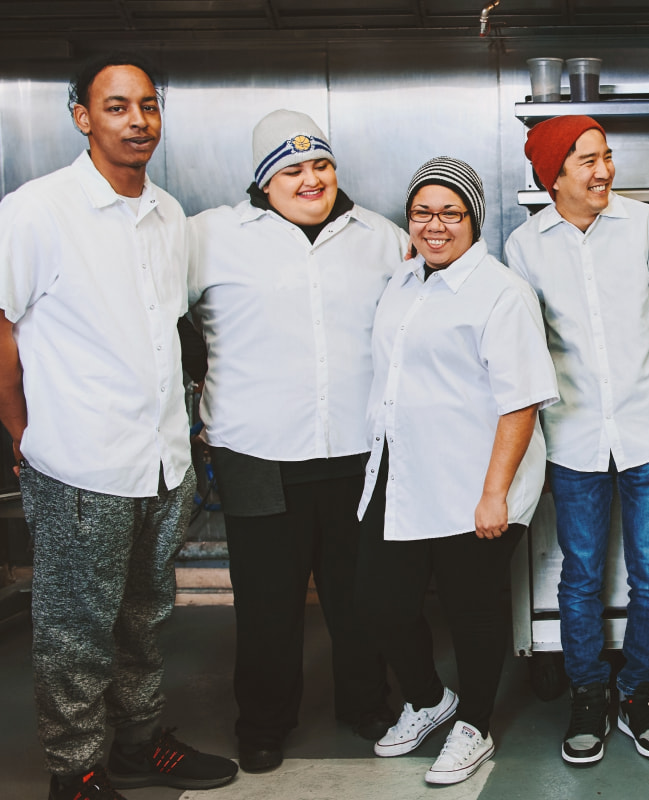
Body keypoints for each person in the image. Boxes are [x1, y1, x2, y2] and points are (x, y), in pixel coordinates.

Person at [0, 53, 238, 800]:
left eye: (148, 106)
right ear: (82, 117)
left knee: (144, 617)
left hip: (159, 461)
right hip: (78, 465)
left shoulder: (166, 214)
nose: (138, 121)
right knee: (75, 630)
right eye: (116, 107)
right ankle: (75, 771)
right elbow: (2, 328)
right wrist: (23, 435)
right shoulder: (36, 211)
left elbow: (165, 328)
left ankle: (138, 745)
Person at [187, 109, 406, 772]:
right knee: (266, 601)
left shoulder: (382, 238)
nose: (311, 179)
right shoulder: (208, 238)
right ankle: (263, 722)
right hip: (256, 452)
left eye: (321, 164)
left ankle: (366, 703)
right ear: (263, 180)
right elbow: (160, 320)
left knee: (359, 592)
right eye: (292, 168)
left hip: (357, 452)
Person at [356, 157, 558, 786]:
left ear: (473, 219)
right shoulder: (404, 281)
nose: (434, 225)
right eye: (422, 212)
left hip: (479, 477)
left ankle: (474, 724)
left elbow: (521, 398)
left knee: (472, 606)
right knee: (381, 601)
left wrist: (494, 493)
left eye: (450, 212)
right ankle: (426, 698)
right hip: (405, 468)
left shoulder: (500, 292)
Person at [504, 115, 649, 766]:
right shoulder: (525, 246)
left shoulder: (645, 227)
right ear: (552, 177)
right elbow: (521, 348)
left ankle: (641, 693)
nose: (604, 171)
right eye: (586, 160)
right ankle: (589, 692)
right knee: (581, 575)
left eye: (607, 156)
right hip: (573, 433)